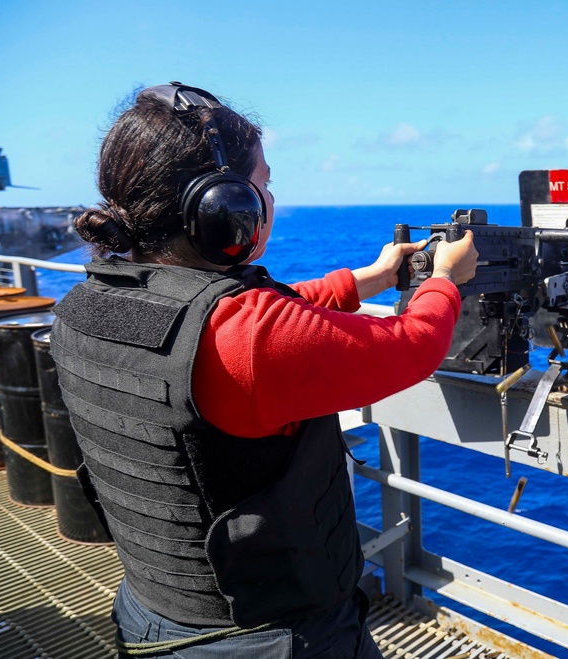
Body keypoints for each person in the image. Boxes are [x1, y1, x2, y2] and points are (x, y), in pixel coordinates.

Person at [50, 82, 478, 658]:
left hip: (151, 616)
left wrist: (366, 279)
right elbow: (414, 342)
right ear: (223, 206)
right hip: (271, 639)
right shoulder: (247, 338)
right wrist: (445, 280)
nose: (270, 199)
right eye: (263, 184)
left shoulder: (87, 307)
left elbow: (252, 324)